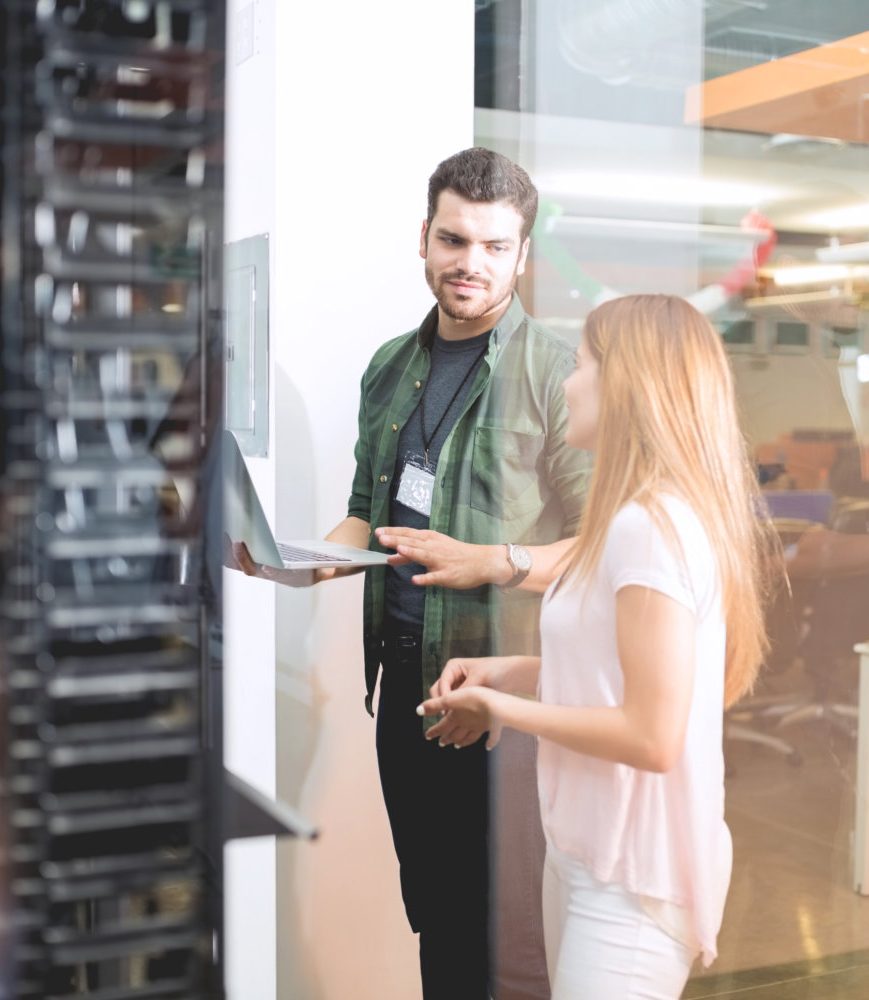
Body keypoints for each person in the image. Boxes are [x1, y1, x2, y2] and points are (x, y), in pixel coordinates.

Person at [233, 148, 591, 1000]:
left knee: (505, 932)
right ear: (424, 238)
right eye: (455, 239)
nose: (471, 263)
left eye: (495, 247)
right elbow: (368, 510)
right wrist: (303, 564)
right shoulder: (390, 365)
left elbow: (600, 541)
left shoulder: (556, 373)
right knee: (433, 907)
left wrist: (495, 561)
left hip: (503, 694)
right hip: (404, 683)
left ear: (522, 256)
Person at [417, 294, 774, 999]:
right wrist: (514, 674)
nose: (566, 383)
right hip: (585, 850)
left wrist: (504, 708)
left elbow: (651, 734)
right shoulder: (629, 521)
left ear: (626, 386)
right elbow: (621, 673)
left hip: (633, 876)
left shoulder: (652, 528)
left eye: (580, 366)